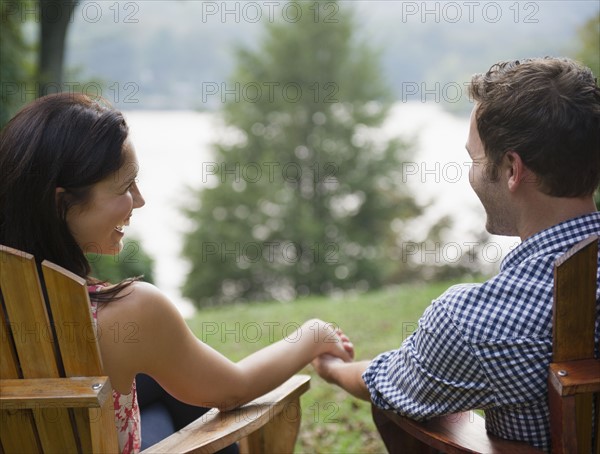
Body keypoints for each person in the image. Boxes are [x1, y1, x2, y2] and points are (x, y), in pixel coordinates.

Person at [0, 93, 354, 454]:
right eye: (125, 187)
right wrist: (313, 335)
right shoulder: (130, 313)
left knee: (164, 388)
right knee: (195, 407)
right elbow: (234, 389)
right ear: (63, 204)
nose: (139, 200)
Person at [311, 56, 600, 451]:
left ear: (513, 170)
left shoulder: (474, 321)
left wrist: (331, 369)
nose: (473, 173)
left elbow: (391, 385)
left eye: (475, 159)